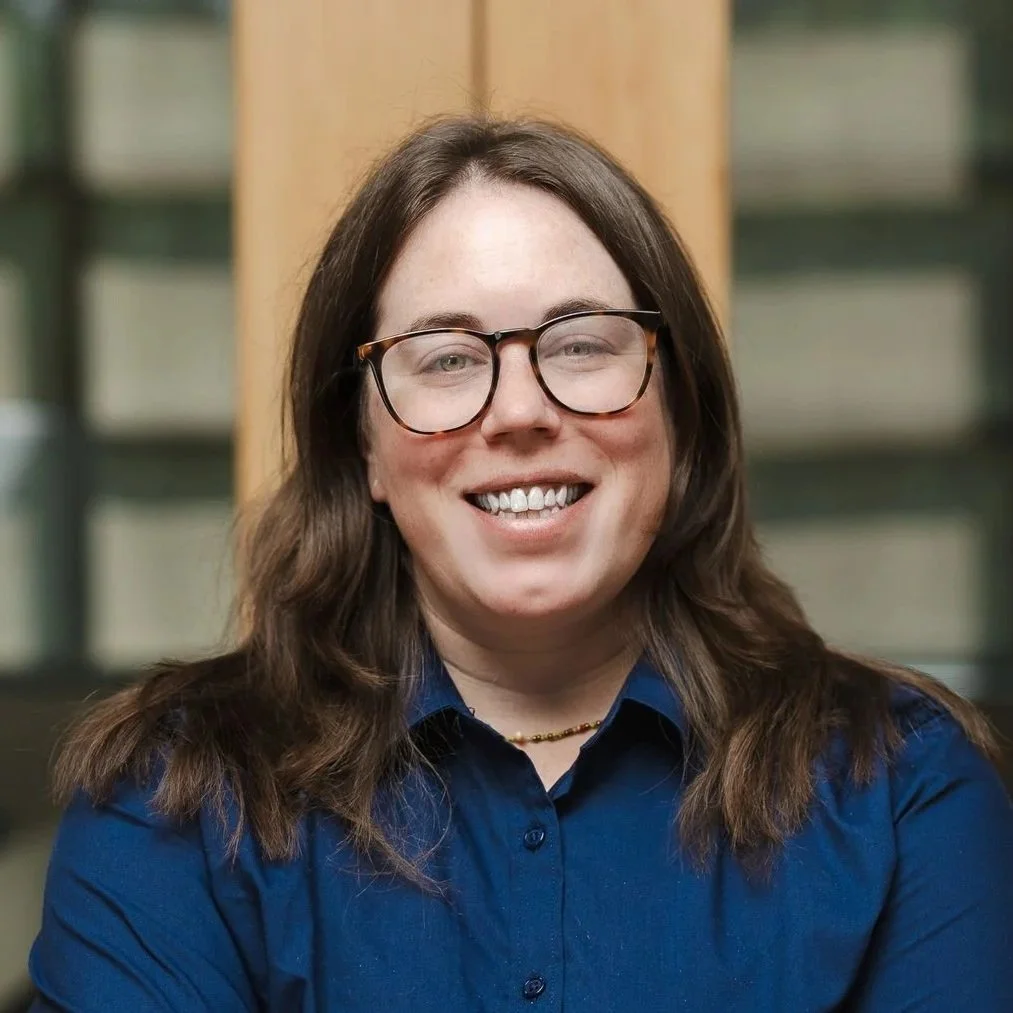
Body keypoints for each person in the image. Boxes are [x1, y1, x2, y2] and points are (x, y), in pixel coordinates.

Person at [28, 116, 1013, 1011]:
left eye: (581, 343)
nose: (519, 411)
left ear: (680, 409)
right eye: (446, 357)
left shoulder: (901, 788)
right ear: (359, 441)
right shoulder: (175, 800)